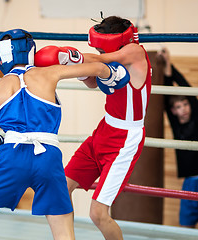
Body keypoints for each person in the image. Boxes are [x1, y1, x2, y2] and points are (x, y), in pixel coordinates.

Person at [0, 28, 130, 240]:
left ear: (1, 57)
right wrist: (113, 75)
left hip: (12, 156)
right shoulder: (49, 73)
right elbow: (97, 68)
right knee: (63, 233)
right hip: (48, 157)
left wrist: (1, 146)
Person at [43, 16, 151, 240]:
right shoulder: (109, 59)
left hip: (125, 139)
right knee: (60, 189)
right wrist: (78, 69)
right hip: (103, 130)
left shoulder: (135, 52)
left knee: (98, 214)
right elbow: (93, 80)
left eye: (103, 48)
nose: (101, 52)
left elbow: (96, 60)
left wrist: (69, 58)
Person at [157, 47, 198, 228]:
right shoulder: (176, 124)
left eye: (186, 104)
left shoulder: (196, 115)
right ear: (174, 111)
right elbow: (166, 96)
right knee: (186, 225)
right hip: (189, 181)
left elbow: (185, 87)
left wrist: (170, 63)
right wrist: (166, 66)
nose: (184, 108)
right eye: (179, 106)